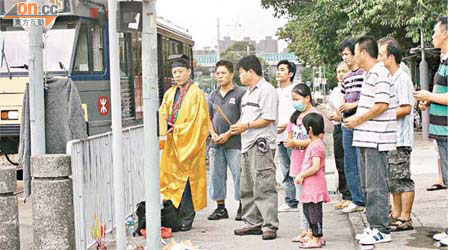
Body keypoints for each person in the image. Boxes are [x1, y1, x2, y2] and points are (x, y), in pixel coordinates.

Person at [344, 36, 397, 245]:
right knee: (368, 186)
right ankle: (374, 226)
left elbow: (382, 104)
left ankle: (382, 229)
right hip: (366, 139)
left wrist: (358, 119)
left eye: (355, 52)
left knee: (376, 186)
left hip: (377, 139)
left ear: (364, 53)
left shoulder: (380, 73)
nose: (354, 56)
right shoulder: (370, 74)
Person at [230, 55, 279, 240]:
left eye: (241, 73)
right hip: (246, 143)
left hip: (261, 144)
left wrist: (247, 126)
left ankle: (269, 225)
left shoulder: (267, 90)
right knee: (247, 185)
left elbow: (268, 118)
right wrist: (235, 128)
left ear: (251, 71)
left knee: (264, 185)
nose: (239, 77)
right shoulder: (248, 93)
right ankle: (253, 222)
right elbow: (245, 117)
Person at [159, 54, 210, 232]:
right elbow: (162, 114)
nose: (177, 75)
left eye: (181, 71)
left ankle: (187, 218)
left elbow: (199, 123)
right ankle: (174, 217)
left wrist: (177, 129)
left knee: (188, 183)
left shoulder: (197, 95)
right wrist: (165, 129)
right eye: (174, 72)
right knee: (171, 181)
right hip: (173, 145)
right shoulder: (170, 93)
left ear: (189, 72)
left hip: (190, 145)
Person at [414, 16, 448, 247]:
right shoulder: (443, 60)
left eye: (435, 32)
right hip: (441, 131)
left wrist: (429, 97)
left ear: (445, 33)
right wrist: (429, 102)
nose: (432, 36)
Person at [378, 37, 415, 231]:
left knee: (403, 179)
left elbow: (405, 108)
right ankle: (397, 214)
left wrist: (383, 113)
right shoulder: (390, 78)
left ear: (391, 57)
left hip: (401, 138)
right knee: (393, 180)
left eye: (381, 55)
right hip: (391, 138)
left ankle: (406, 217)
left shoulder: (402, 78)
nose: (379, 59)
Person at [207, 60, 246, 221]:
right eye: (217, 73)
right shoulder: (213, 95)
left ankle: (242, 206)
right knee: (216, 175)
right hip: (216, 143)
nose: (220, 76)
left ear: (231, 74)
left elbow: (244, 117)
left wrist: (228, 134)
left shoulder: (240, 93)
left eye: (223, 73)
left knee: (239, 175)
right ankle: (220, 208)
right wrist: (213, 134)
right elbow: (207, 118)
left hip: (235, 142)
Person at [285, 84, 318, 243]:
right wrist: (291, 143)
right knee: (300, 200)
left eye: (297, 99)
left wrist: (296, 143)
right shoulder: (294, 117)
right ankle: (304, 230)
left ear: (307, 98)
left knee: (310, 199)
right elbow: (291, 135)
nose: (295, 102)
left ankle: (313, 230)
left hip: (310, 164)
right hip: (297, 162)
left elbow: (316, 140)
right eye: (293, 99)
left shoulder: (314, 116)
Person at [338, 39, 366, 213]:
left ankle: (364, 197)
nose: (345, 58)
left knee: (360, 160)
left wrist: (353, 105)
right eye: (343, 55)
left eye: (347, 54)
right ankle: (356, 198)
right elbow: (344, 98)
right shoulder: (346, 77)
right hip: (346, 122)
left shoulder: (366, 73)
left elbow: (369, 98)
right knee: (349, 162)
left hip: (361, 120)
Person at [295, 112, 330, 249]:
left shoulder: (316, 146)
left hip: (315, 186)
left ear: (309, 129)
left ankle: (317, 237)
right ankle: (312, 234)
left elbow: (315, 167)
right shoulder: (314, 143)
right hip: (309, 187)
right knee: (308, 211)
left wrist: (302, 174)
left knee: (314, 213)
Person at [327, 61, 352, 210]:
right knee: (339, 162)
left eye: (344, 71)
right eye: (339, 72)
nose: (341, 75)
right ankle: (344, 194)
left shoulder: (353, 89)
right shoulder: (336, 91)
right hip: (337, 129)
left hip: (347, 126)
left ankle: (350, 195)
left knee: (349, 163)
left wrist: (340, 117)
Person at [275, 59, 299, 212]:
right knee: (285, 170)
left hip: (293, 136)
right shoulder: (274, 92)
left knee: (297, 168)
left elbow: (299, 112)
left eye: (282, 69)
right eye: (278, 69)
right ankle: (290, 200)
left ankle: (302, 197)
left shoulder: (295, 91)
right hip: (278, 136)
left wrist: (287, 125)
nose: (278, 72)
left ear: (290, 74)